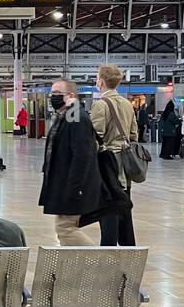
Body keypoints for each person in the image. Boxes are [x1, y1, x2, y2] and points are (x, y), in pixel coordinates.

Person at [38, 79, 103, 246]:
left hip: (73, 185)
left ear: (71, 96)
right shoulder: (66, 116)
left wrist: (75, 186)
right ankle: (71, 268)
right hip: (64, 184)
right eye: (52, 94)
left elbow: (82, 154)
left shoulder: (75, 116)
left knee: (65, 228)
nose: (53, 97)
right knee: (65, 229)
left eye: (58, 94)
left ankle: (101, 263)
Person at [89, 64, 138, 246]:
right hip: (125, 167)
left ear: (101, 82)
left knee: (108, 211)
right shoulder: (127, 104)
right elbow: (134, 135)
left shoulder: (100, 105)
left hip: (108, 167)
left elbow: (95, 138)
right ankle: (129, 253)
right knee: (124, 208)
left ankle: (107, 252)